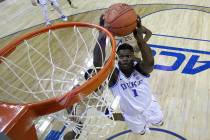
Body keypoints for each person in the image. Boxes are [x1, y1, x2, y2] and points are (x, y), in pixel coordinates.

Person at [93, 15, 164, 135]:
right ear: (117, 57)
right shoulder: (114, 74)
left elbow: (150, 63)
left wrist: (140, 39)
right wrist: (102, 34)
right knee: (140, 132)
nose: (125, 59)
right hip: (131, 115)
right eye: (122, 56)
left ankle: (155, 122)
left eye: (128, 56)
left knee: (160, 122)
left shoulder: (139, 68)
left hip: (150, 106)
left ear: (133, 56)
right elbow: (98, 65)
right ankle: (142, 129)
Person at [63, 69, 124, 139]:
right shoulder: (78, 87)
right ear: (87, 79)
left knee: (111, 115)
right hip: (83, 102)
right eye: (92, 76)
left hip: (96, 100)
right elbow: (68, 101)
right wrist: (71, 113)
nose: (95, 76)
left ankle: (129, 118)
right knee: (78, 128)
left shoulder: (102, 81)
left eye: (95, 74)